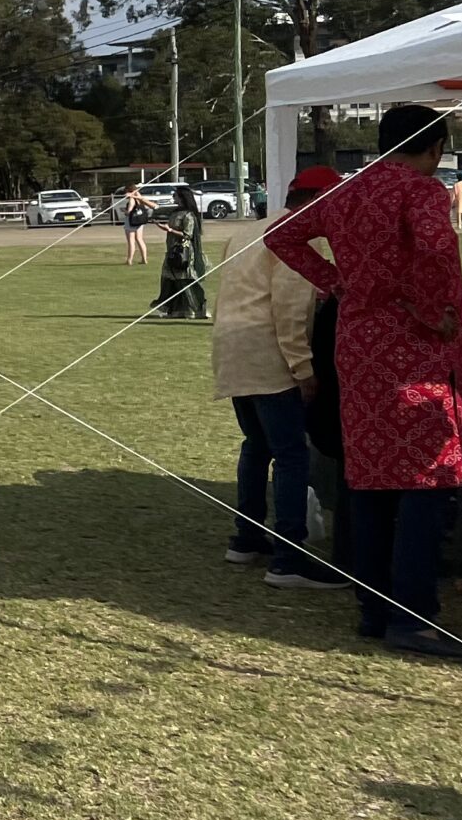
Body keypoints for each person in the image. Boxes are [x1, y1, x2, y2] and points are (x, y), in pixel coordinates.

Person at [265, 104, 462, 658]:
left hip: (358, 348)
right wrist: (431, 310)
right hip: (414, 349)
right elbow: (434, 249)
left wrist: (338, 282)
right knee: (427, 481)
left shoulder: (346, 191)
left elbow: (281, 235)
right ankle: (414, 616)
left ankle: (374, 609)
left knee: (371, 480)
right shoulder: (420, 191)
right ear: (435, 148)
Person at [209, 166, 349, 589]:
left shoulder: (245, 233)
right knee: (291, 456)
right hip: (270, 356)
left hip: (233, 350)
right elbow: (289, 310)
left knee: (257, 447)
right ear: (321, 201)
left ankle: (247, 538)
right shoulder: (297, 237)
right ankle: (289, 558)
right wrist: (303, 368)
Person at [157, 185, 210, 320]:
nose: (173, 197)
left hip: (184, 252)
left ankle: (195, 309)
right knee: (171, 280)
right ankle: (176, 310)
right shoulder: (175, 212)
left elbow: (187, 234)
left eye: (175, 195)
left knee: (185, 280)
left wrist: (169, 230)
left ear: (182, 198)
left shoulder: (188, 215)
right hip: (172, 250)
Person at [122, 184, 155, 265]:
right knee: (140, 239)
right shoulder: (139, 199)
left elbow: (129, 212)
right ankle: (144, 259)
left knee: (131, 241)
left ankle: (129, 260)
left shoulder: (132, 200)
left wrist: (124, 211)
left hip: (132, 222)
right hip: (139, 221)